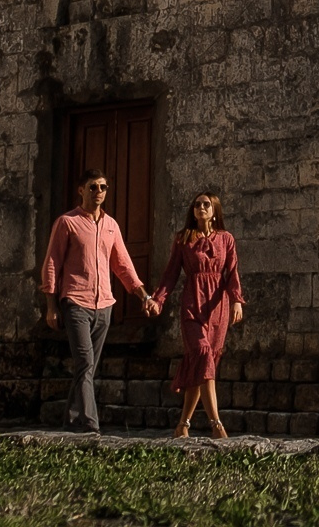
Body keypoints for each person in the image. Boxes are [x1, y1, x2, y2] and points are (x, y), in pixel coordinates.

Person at [39, 170, 158, 433]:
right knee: (84, 363)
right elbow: (52, 263)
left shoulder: (111, 226)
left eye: (103, 187)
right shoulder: (67, 223)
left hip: (104, 305)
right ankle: (92, 426)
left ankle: (71, 421)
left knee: (86, 369)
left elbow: (123, 264)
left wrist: (144, 296)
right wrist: (51, 305)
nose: (99, 192)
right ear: (81, 190)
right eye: (93, 187)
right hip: (75, 302)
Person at [151, 192, 245, 438]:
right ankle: (216, 424)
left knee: (204, 363)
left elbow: (232, 271)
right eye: (197, 204)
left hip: (218, 307)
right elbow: (171, 272)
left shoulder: (226, 239)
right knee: (202, 354)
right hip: (192, 303)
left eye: (206, 204)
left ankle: (183, 425)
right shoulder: (184, 239)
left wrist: (237, 300)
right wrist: (158, 299)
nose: (200, 207)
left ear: (215, 210)